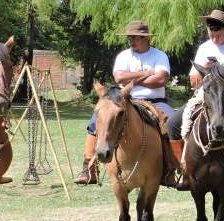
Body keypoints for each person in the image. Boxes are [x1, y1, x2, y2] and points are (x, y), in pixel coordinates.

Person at [165, 10, 224, 192]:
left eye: (217, 28)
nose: (213, 32)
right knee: (172, 124)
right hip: (206, 96)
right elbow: (193, 80)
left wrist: (221, 71)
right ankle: (185, 171)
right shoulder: (204, 48)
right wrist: (204, 72)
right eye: (210, 28)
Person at [74, 20, 177, 187]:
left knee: (171, 123)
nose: (131, 41)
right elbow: (119, 78)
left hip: (156, 101)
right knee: (96, 121)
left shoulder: (160, 56)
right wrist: (146, 74)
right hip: (124, 99)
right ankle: (89, 168)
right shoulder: (123, 56)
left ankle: (171, 168)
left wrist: (133, 78)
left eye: (135, 37)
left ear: (146, 38)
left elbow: (160, 80)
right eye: (129, 37)